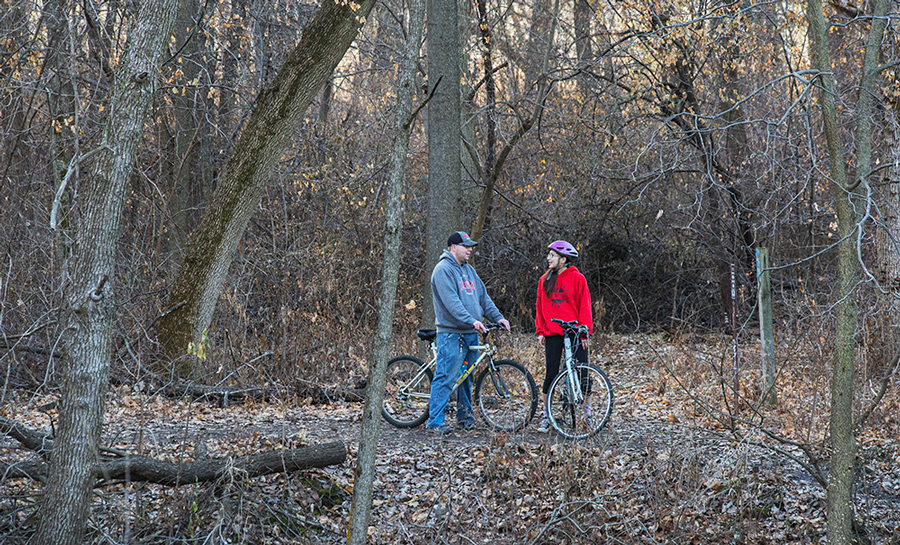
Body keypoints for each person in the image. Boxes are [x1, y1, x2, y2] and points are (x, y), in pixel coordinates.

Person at [427, 231, 511, 435]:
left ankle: (465, 418)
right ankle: (435, 422)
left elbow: (483, 299)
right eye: (466, 246)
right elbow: (452, 303)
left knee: (466, 377)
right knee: (446, 376)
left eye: (470, 245)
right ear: (453, 247)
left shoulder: (470, 271)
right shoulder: (443, 270)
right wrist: (472, 320)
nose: (470, 249)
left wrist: (497, 317)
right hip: (452, 334)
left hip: (471, 333)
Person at [534, 240, 593, 433]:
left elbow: (584, 307)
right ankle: (546, 415)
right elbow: (540, 308)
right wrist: (540, 330)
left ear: (563, 259)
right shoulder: (544, 280)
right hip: (553, 333)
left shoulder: (578, 279)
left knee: (583, 372)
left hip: (575, 331)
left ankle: (587, 415)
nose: (548, 258)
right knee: (551, 374)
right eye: (549, 255)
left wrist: (584, 333)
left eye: (552, 255)